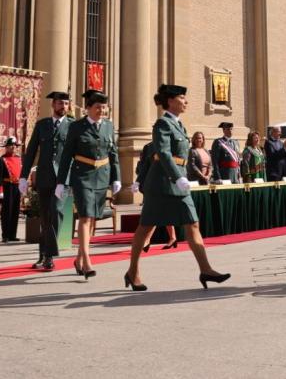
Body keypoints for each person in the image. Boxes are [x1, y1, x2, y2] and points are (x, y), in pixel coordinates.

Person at [124, 84, 230, 292]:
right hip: (161, 184)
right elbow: (163, 153)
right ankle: (132, 271)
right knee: (146, 228)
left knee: (193, 224)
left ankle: (206, 269)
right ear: (170, 101)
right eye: (182, 98)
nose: (186, 101)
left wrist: (182, 176)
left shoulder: (179, 125)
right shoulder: (162, 124)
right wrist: (177, 176)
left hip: (178, 182)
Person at [56, 89, 120, 279]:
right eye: (98, 107)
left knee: (92, 219)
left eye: (104, 107)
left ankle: (78, 259)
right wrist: (61, 182)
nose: (102, 111)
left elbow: (113, 153)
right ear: (88, 108)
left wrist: (116, 178)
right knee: (85, 217)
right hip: (82, 176)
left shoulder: (108, 125)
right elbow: (67, 156)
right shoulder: (76, 127)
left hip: (102, 176)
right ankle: (87, 261)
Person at [19, 90, 71, 270]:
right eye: (60, 103)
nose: (63, 106)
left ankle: (49, 255)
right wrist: (23, 176)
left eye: (66, 103)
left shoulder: (73, 126)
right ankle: (42, 254)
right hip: (44, 177)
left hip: (63, 179)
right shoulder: (42, 125)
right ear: (53, 105)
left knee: (56, 213)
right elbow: (31, 151)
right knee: (45, 218)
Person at [133, 93, 176, 253]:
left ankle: (148, 239)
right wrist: (138, 181)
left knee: (157, 211)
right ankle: (171, 237)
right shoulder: (149, 147)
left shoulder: (172, 146)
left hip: (167, 182)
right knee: (159, 211)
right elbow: (144, 166)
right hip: (152, 182)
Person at [0, 136, 22, 243]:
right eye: (10, 146)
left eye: (14, 146)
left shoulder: (19, 158)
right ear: (6, 147)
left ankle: (13, 235)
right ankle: (5, 235)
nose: (13, 147)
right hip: (7, 187)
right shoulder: (1, 160)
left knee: (15, 211)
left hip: (17, 187)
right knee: (7, 212)